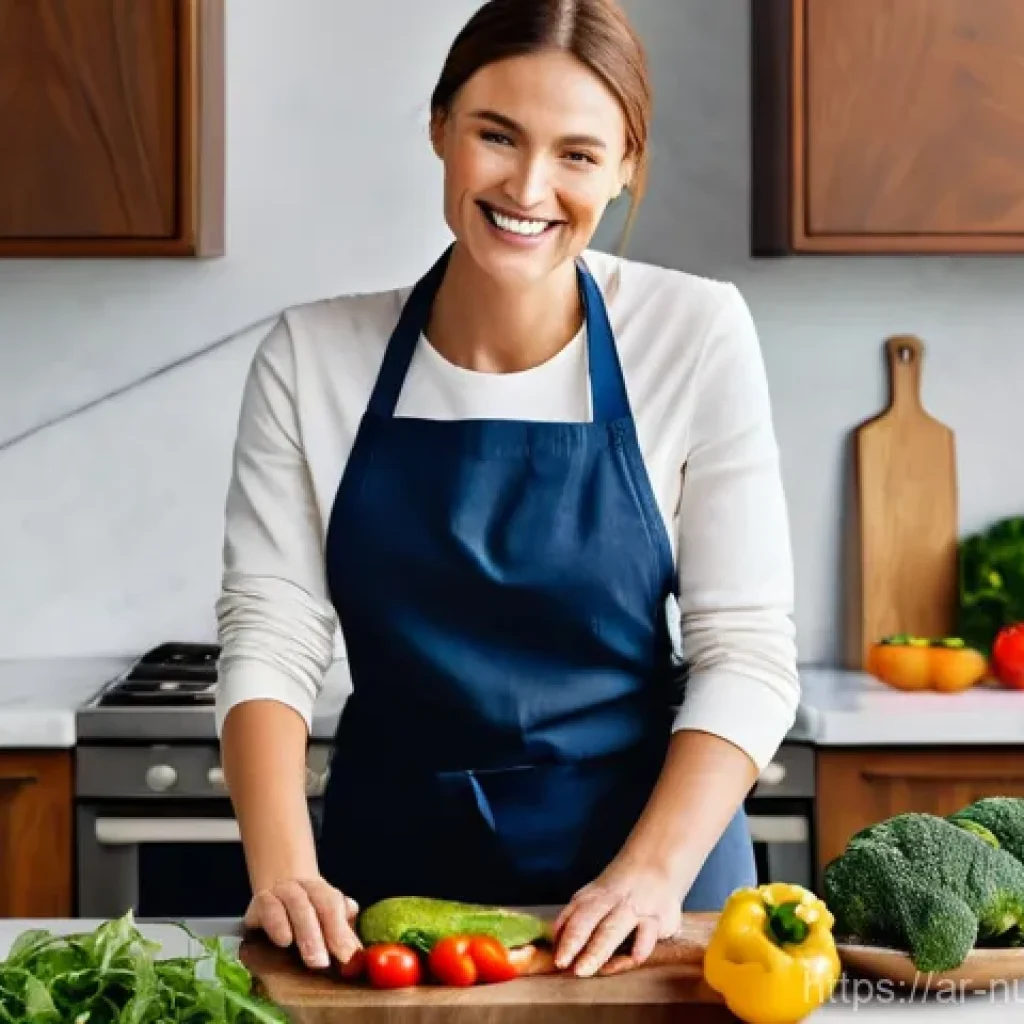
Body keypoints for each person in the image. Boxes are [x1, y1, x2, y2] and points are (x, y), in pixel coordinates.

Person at [215, 0, 799, 982]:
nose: (529, 186)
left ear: (624, 169)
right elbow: (271, 629)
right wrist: (283, 867)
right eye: (496, 135)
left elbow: (744, 649)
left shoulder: (693, 334)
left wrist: (650, 874)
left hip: (649, 880)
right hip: (388, 889)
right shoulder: (313, 356)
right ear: (440, 127)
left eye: (577, 153)